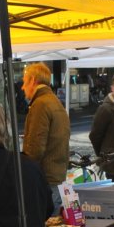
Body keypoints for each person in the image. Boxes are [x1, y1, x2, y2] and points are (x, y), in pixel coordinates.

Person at [22, 62, 70, 210]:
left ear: (32, 80)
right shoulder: (55, 102)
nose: (22, 87)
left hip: (45, 179)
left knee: (44, 221)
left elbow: (35, 148)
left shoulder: (40, 104)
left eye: (24, 82)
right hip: (57, 176)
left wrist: (25, 172)